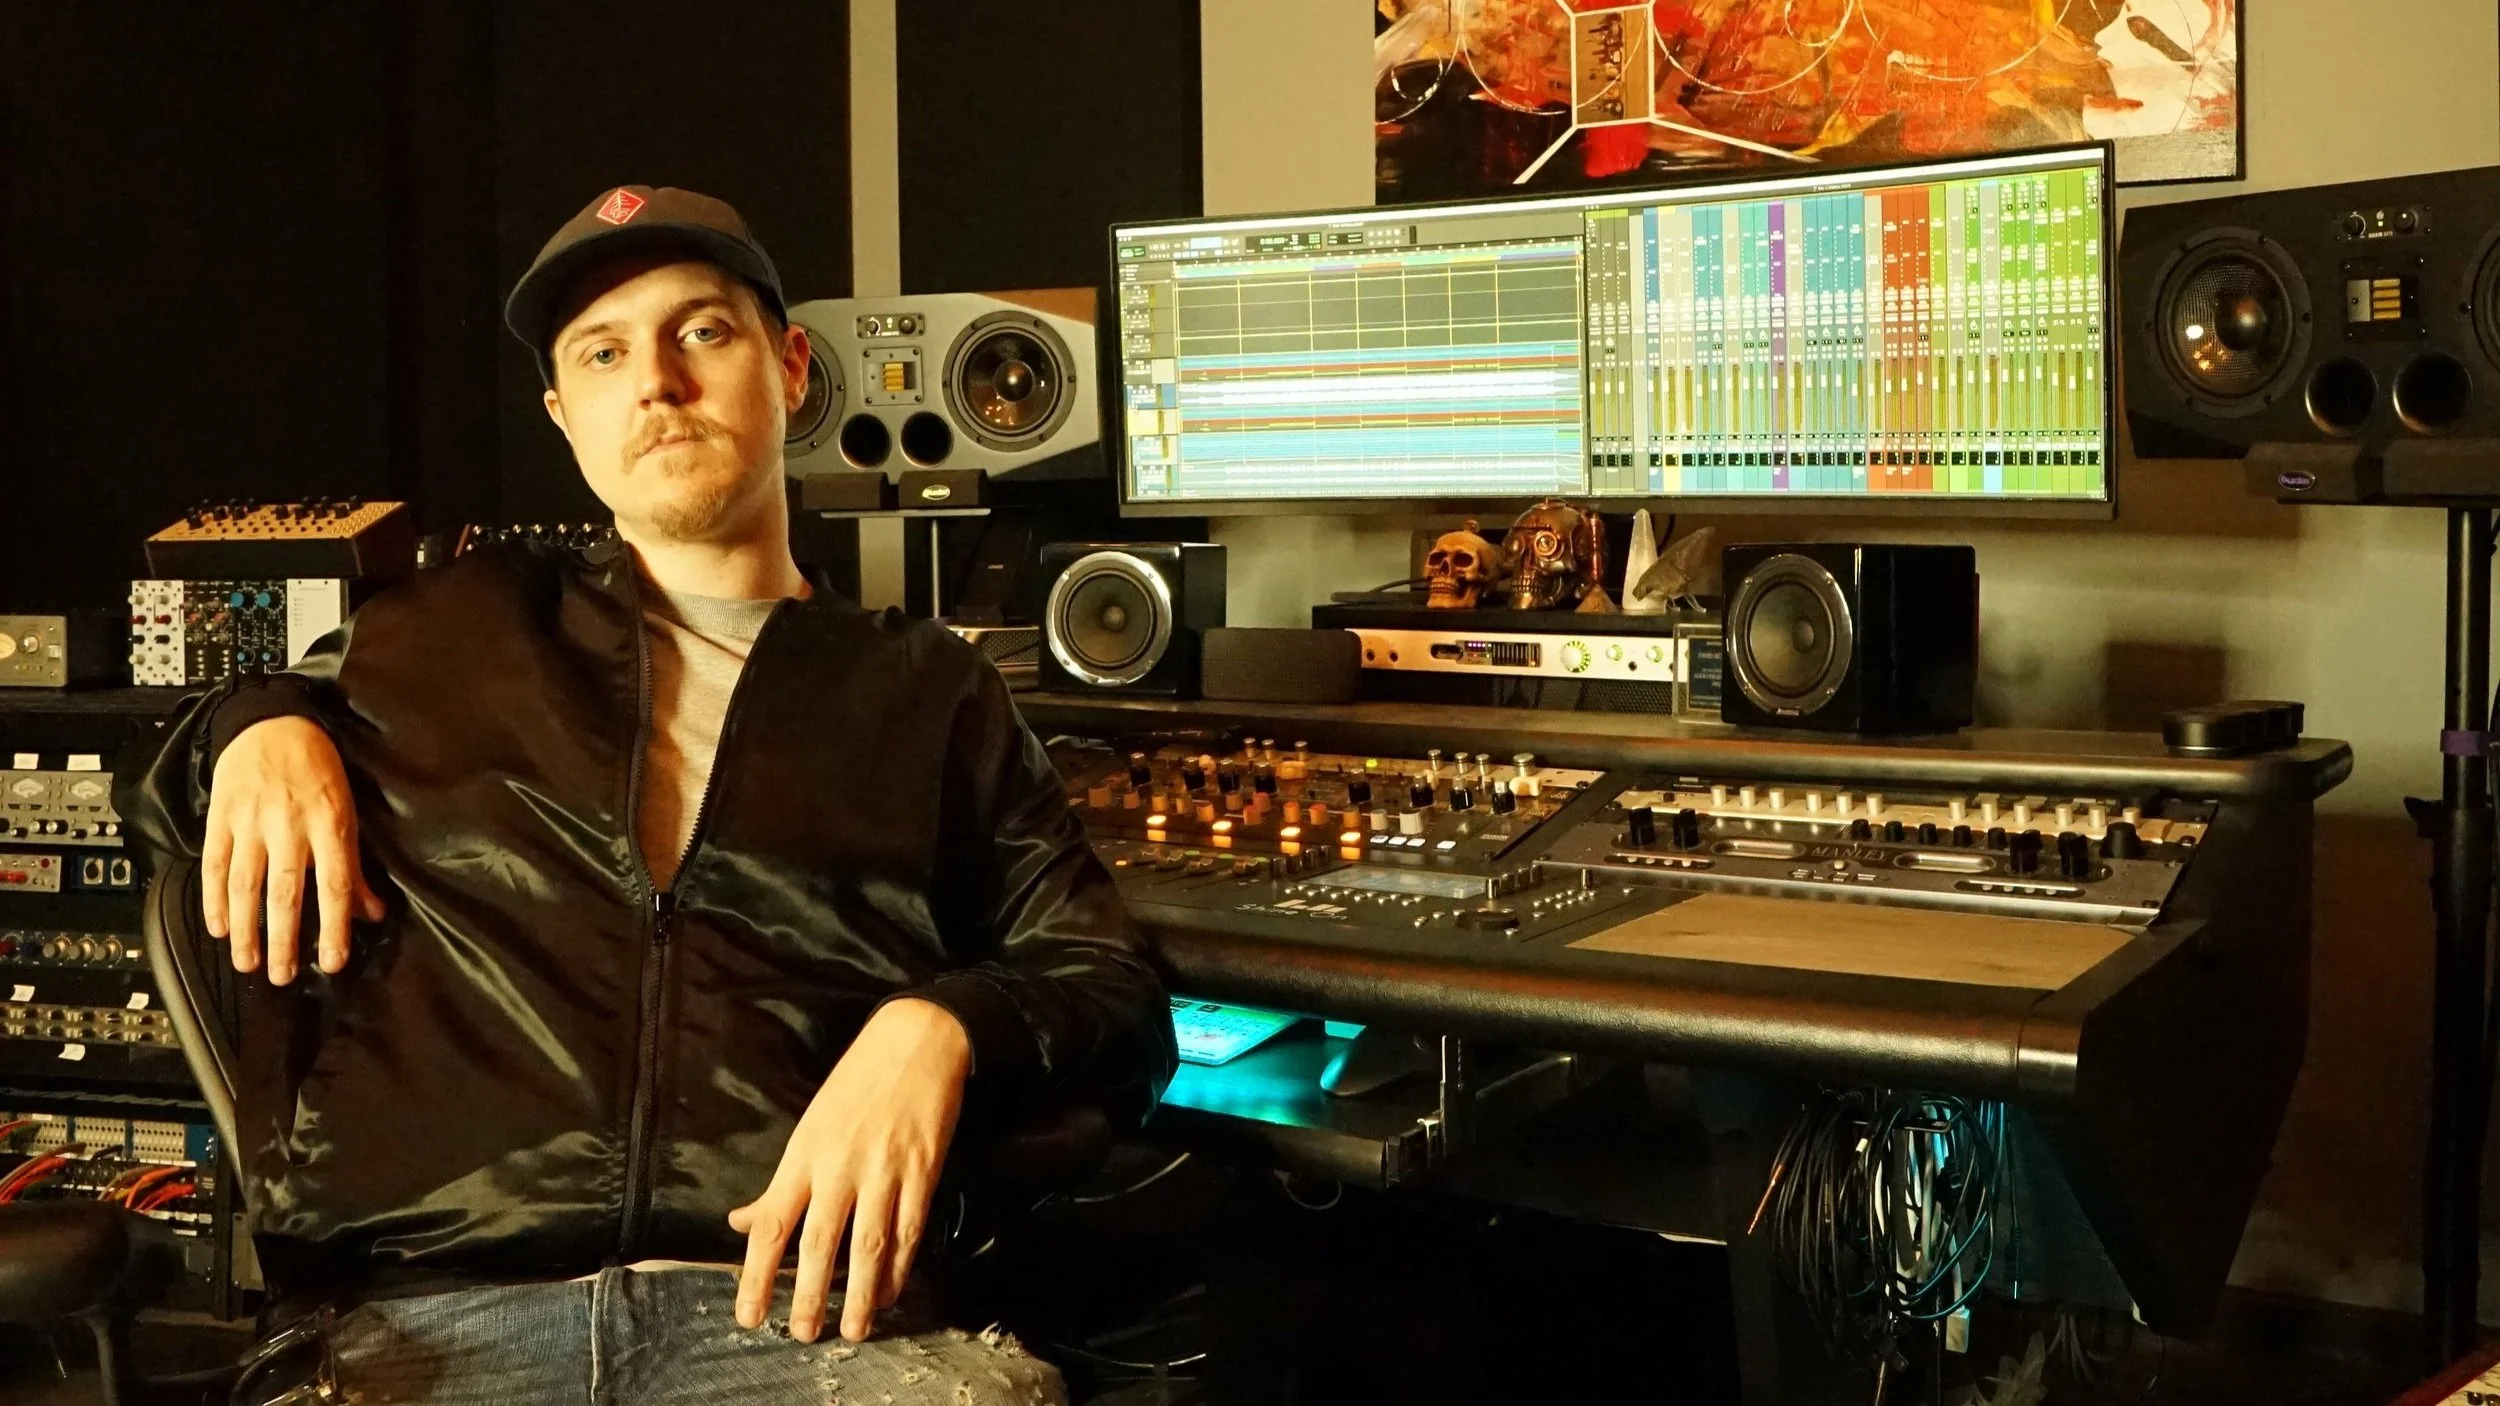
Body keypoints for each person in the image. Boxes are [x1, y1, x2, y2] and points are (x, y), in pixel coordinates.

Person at [123, 185, 1175, 1404]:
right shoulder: (439, 634)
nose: (657, 382)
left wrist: (941, 1026)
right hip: (435, 1315)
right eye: (606, 352)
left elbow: (1110, 987)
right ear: (567, 415)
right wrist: (254, 727)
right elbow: (169, 783)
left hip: (791, 1318)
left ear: (788, 368)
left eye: (702, 332)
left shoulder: (924, 688)